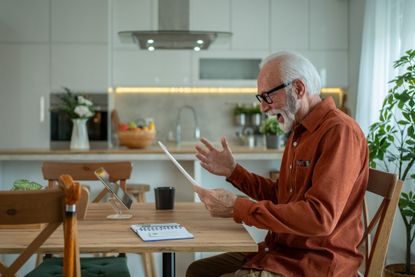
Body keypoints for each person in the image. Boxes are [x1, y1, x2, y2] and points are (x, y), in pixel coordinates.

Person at [187, 51, 369, 277]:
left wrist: (237, 207)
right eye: (260, 98)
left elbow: (320, 218)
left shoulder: (339, 132)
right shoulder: (299, 132)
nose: (263, 108)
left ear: (299, 89)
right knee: (198, 271)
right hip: (281, 253)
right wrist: (234, 172)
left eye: (267, 96)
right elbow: (282, 195)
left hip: (314, 264)